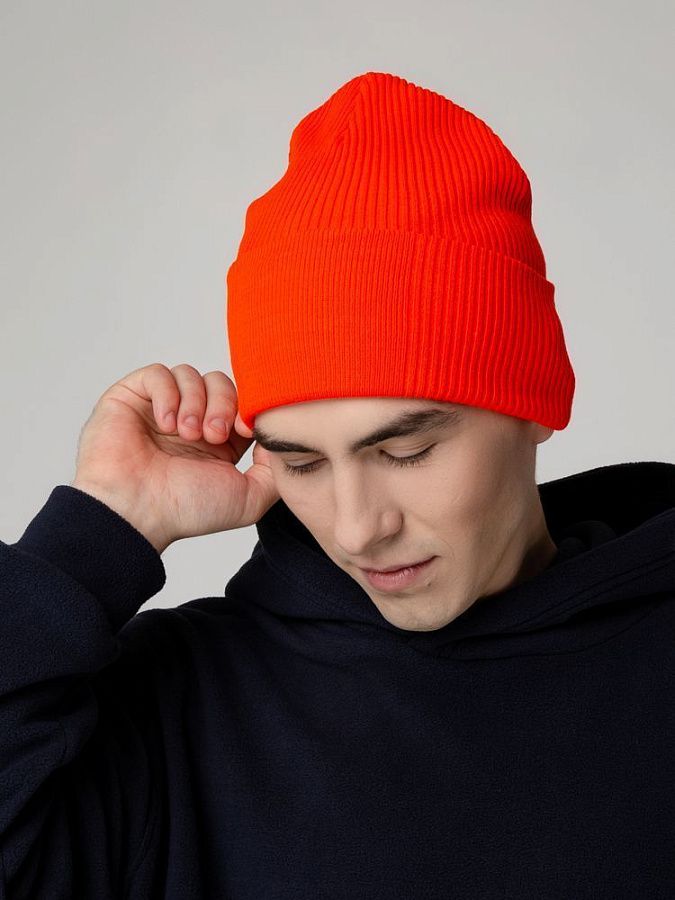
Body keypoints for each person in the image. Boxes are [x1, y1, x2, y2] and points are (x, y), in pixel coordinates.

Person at [1, 70, 673, 899]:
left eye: (405, 451)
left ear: (532, 403)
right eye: (303, 463)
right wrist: (92, 537)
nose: (357, 529)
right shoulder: (175, 707)